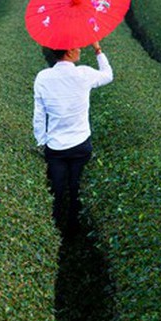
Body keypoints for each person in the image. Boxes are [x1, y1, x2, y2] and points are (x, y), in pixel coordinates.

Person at [33, 40, 114, 237]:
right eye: (77, 47)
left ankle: (55, 231)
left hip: (55, 147)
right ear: (69, 51)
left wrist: (42, 140)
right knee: (77, 188)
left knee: (57, 190)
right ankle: (74, 228)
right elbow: (108, 76)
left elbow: (39, 113)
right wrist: (98, 49)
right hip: (80, 144)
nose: (79, 49)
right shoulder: (83, 73)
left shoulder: (43, 77)